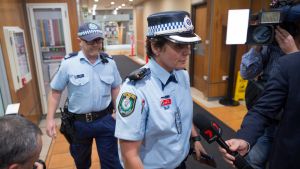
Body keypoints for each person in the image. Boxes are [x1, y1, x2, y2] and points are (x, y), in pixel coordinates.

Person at [114, 11, 207, 169]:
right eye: (179, 45)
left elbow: (181, 112)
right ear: (156, 47)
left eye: (188, 44)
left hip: (181, 163)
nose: (188, 51)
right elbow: (129, 155)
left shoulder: (182, 75)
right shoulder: (135, 90)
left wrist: (195, 138)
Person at [46, 22, 123, 169]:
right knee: (82, 163)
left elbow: (116, 88)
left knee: (111, 163)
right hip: (79, 124)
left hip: (105, 120)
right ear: (79, 40)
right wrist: (50, 119)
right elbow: (56, 91)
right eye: (90, 41)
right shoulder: (69, 64)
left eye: (98, 40)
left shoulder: (110, 63)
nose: (95, 45)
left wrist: (119, 112)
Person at [239, 2, 300, 168]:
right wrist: (258, 42)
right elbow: (246, 73)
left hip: (291, 127)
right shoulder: (271, 45)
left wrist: (294, 56)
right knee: (254, 162)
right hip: (267, 120)